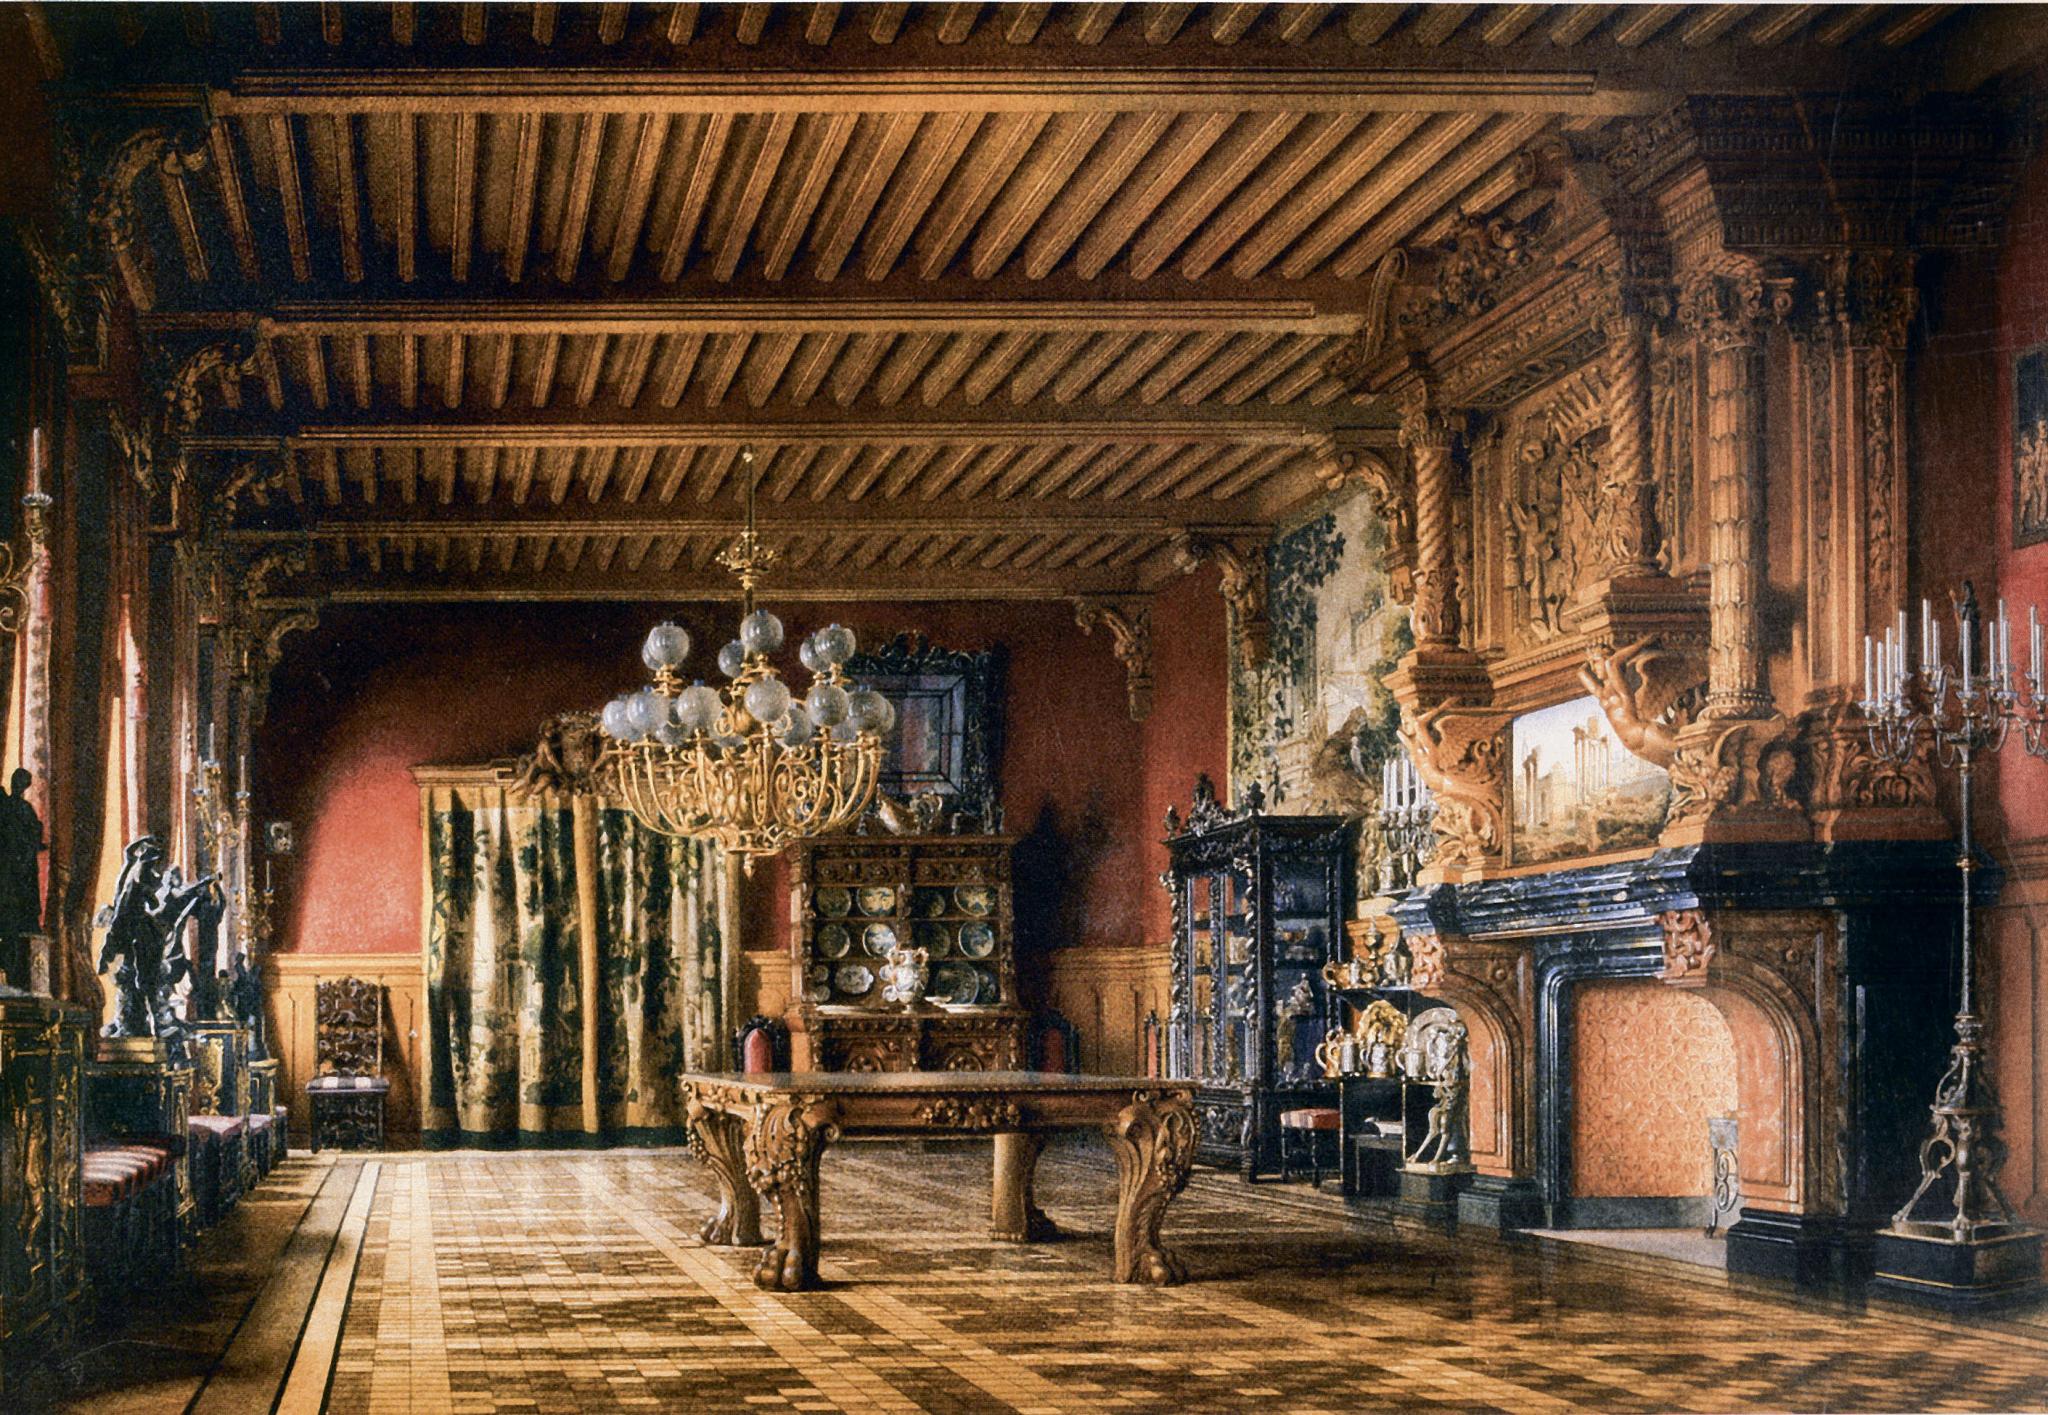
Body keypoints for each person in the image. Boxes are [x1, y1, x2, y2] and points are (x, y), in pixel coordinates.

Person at [0, 768, 45, 989]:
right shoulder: (15, 807)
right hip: (12, 874)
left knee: (20, 919)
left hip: (19, 874)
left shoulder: (19, 808)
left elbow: (35, 833)